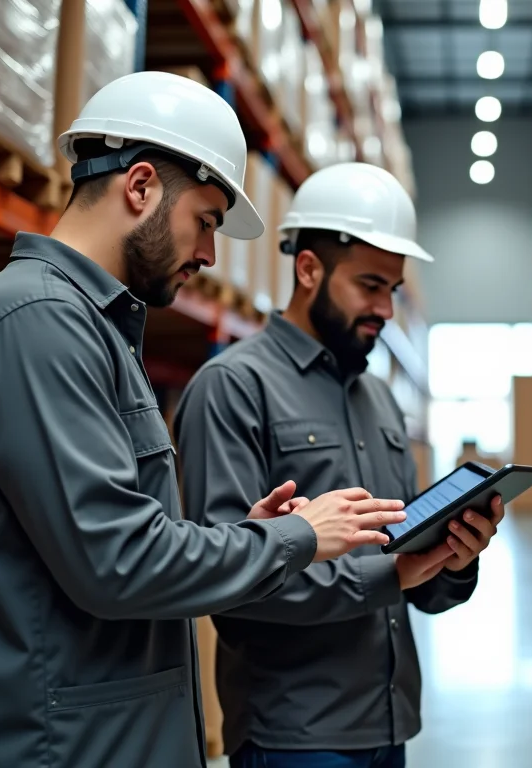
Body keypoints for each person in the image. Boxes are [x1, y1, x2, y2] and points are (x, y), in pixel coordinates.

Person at [0, 72, 407, 768]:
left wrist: (250, 537)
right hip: (56, 747)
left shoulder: (90, 328)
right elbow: (117, 561)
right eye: (205, 221)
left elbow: (123, 537)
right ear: (140, 187)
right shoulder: (38, 323)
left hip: (106, 737)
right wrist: (298, 535)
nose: (209, 254)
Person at [174, 162, 504, 768]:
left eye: (393, 291)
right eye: (370, 285)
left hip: (389, 722)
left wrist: (454, 558)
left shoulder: (377, 397)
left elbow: (409, 564)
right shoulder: (232, 387)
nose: (385, 308)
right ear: (308, 270)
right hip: (294, 734)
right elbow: (226, 577)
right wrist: (392, 575)